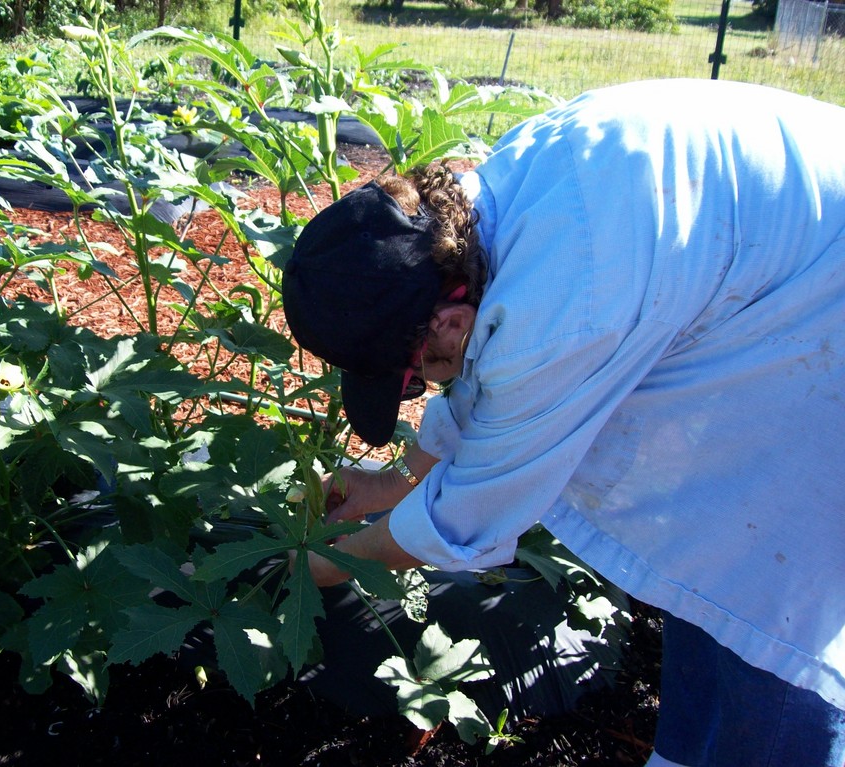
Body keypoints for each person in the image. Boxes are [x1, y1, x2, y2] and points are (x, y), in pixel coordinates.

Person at [280, 78, 845, 767]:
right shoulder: (488, 217)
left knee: (774, 602)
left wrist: (332, 562)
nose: (424, 386)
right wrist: (390, 483)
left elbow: (470, 511)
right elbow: (481, 383)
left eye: (415, 376)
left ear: (448, 321)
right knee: (711, 552)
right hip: (776, 277)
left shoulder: (564, 302)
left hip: (825, 315)